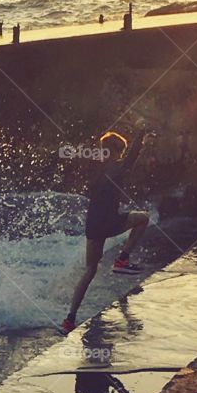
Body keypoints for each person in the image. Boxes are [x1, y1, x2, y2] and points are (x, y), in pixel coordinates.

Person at [61, 129, 152, 333]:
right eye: (119, 152)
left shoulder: (95, 169)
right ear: (113, 152)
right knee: (143, 218)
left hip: (92, 227)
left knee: (90, 271)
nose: (120, 156)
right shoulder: (114, 169)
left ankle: (69, 319)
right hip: (109, 222)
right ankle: (122, 260)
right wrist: (140, 136)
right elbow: (130, 160)